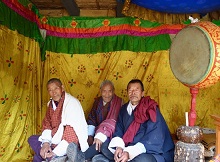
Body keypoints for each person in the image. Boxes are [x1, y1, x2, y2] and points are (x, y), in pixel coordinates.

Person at [106, 79, 175, 162]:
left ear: (142, 93)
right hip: (127, 146)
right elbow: (119, 129)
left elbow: (153, 136)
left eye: (136, 90)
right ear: (127, 92)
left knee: (142, 160)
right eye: (130, 90)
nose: (133, 93)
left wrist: (129, 152)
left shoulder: (151, 109)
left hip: (149, 150)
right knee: (104, 147)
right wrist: (119, 147)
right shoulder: (124, 109)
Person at [28, 78, 89, 162]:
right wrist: (46, 144)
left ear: (62, 88)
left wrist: (55, 152)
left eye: (56, 88)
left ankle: (53, 156)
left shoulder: (72, 103)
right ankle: (50, 155)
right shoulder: (50, 105)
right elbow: (47, 124)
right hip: (54, 138)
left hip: (68, 141)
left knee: (37, 158)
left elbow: (72, 131)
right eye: (50, 90)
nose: (54, 92)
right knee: (32, 139)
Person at [67, 80, 123, 162]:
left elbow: (114, 121)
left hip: (112, 133)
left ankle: (81, 157)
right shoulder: (97, 101)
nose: (107, 94)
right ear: (100, 91)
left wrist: (102, 134)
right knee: (86, 140)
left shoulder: (119, 102)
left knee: (102, 145)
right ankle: (90, 156)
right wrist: (90, 135)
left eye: (110, 91)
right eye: (104, 91)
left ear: (113, 91)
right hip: (97, 132)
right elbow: (92, 118)